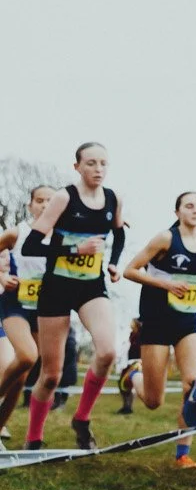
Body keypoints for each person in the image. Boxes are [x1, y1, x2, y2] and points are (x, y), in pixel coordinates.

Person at [25, 144, 126, 451]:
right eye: (91, 163)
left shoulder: (113, 198)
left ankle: (81, 419)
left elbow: (118, 233)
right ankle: (33, 438)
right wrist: (73, 250)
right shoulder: (64, 197)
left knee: (108, 352)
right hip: (57, 287)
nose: (98, 169)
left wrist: (113, 262)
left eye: (103, 163)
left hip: (91, 287)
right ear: (77, 166)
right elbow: (32, 245)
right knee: (52, 375)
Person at [121, 191, 196, 469]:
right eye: (189, 206)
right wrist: (167, 285)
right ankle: (132, 374)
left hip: (188, 324)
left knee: (193, 385)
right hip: (157, 322)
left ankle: (182, 454)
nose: (195, 210)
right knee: (153, 400)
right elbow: (130, 270)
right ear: (178, 212)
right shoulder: (166, 239)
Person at [0, 184, 55, 443]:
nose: (45, 205)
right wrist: (2, 276)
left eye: (50, 201)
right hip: (16, 305)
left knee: (21, 377)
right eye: (40, 200)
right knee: (26, 356)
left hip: (45, 310)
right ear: (30, 206)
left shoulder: (65, 237)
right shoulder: (17, 233)